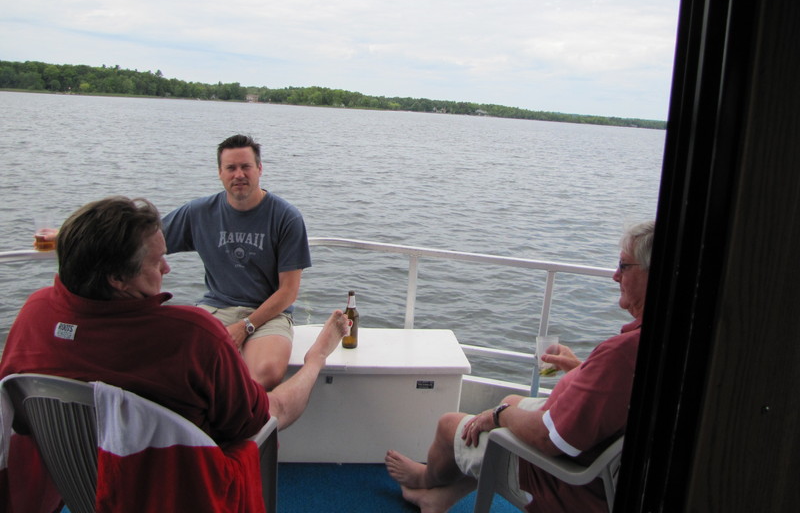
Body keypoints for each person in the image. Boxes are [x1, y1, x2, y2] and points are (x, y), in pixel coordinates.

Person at [0, 196, 347, 441]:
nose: (167, 268)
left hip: (80, 482)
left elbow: (21, 419)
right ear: (117, 278)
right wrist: (316, 358)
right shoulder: (193, 336)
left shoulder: (35, 312)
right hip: (176, 486)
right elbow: (269, 416)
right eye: (156, 262)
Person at [385, 221, 655, 513]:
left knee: (449, 425)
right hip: (596, 460)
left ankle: (426, 478)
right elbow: (613, 394)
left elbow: (549, 439)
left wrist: (499, 416)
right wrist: (579, 369)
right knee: (511, 399)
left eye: (624, 265)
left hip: (562, 478)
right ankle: (441, 498)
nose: (615, 275)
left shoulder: (623, 354)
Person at [161, 134, 311, 390]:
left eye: (246, 167)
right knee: (176, 366)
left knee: (265, 373)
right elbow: (147, 243)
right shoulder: (198, 212)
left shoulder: (286, 217)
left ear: (259, 169)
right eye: (231, 168)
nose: (239, 174)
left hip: (269, 313)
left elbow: (288, 291)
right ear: (220, 172)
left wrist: (245, 326)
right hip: (216, 307)